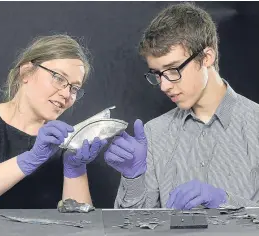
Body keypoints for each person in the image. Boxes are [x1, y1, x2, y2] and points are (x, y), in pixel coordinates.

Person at [104, 3, 259, 209]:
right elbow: (131, 228)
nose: (164, 86)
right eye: (157, 74)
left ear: (206, 58)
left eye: (173, 69)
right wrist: (133, 177)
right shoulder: (154, 133)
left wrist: (226, 202)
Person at [0, 34, 107, 209]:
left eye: (74, 88)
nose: (67, 94)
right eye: (59, 78)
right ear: (26, 73)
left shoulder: (64, 142)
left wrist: (75, 169)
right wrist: (31, 159)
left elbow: (82, 227)